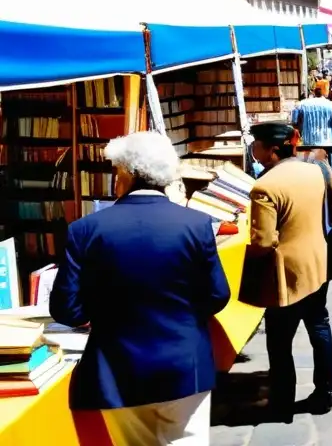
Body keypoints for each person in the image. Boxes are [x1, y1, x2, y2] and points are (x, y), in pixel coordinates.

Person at [50, 132, 230, 445]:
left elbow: (66, 308)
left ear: (126, 175)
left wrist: (95, 314)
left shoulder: (85, 230)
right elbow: (217, 295)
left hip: (118, 369)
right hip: (185, 363)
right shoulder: (197, 224)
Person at [248, 122, 332, 420]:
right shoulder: (317, 169)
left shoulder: (264, 188)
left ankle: (282, 401)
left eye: (255, 143)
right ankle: (325, 393)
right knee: (319, 326)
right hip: (319, 263)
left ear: (270, 150)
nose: (252, 148)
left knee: (280, 341)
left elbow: (263, 242)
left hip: (285, 275)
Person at [292, 81, 332, 170]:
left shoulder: (302, 104)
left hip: (308, 142)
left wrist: (301, 127)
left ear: (314, 92)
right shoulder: (330, 105)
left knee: (308, 166)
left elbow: (294, 121)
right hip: (328, 141)